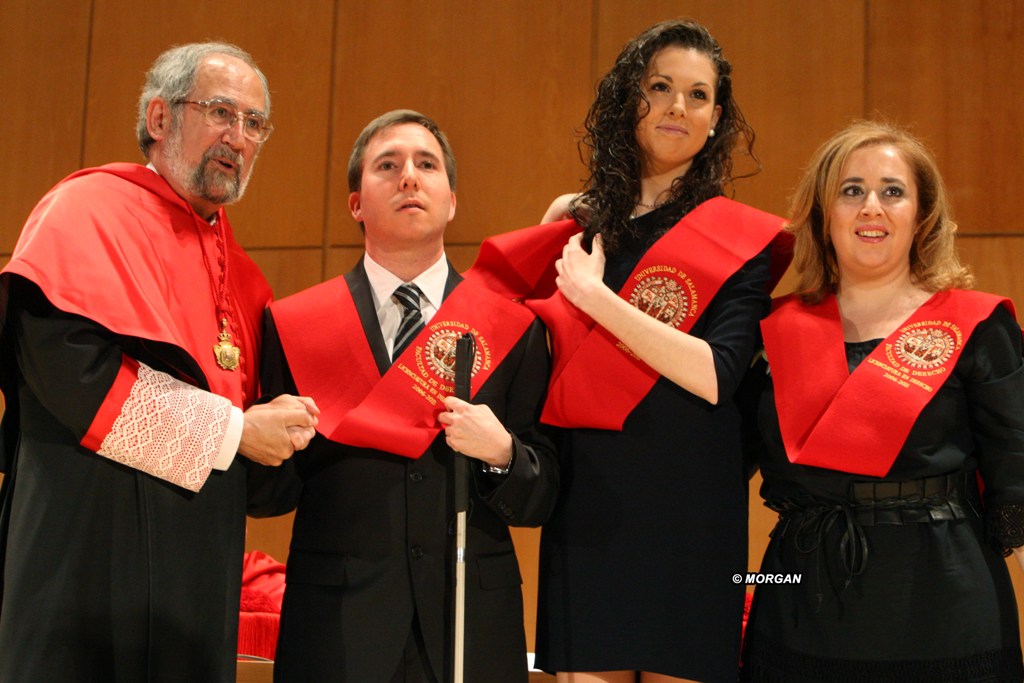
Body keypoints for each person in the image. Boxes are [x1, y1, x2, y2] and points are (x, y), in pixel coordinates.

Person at [467, 18, 791, 683]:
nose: (678, 107)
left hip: (695, 504)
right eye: (661, 86)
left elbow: (714, 374)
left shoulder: (741, 237)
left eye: (698, 95)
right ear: (629, 99)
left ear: (716, 117)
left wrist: (596, 298)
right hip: (592, 496)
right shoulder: (573, 216)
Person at [0, 42, 319, 681]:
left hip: (193, 593)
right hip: (82, 566)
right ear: (159, 118)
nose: (239, 137)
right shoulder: (84, 213)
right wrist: (234, 430)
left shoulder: (247, 281)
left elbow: (252, 475)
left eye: (255, 124)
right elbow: (73, 379)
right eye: (222, 112)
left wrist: (289, 434)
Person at [247, 109, 559, 683]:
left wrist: (502, 454)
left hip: (471, 623)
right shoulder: (296, 324)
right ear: (356, 204)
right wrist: (264, 438)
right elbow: (267, 495)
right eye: (387, 166)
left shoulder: (511, 328)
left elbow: (543, 497)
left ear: (452, 198)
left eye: (426, 165)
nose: (409, 177)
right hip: (337, 625)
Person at [739, 120, 1024, 682]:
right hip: (797, 594)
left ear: (922, 215)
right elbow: (708, 464)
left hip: (947, 599)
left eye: (893, 191)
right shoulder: (770, 330)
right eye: (851, 190)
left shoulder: (977, 326)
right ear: (824, 215)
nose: (872, 206)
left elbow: (1019, 479)